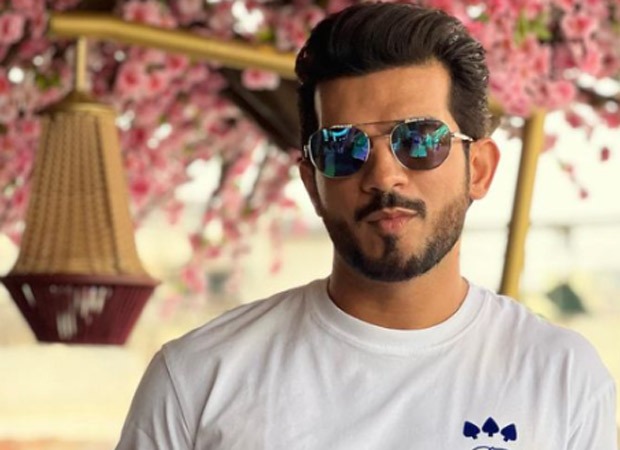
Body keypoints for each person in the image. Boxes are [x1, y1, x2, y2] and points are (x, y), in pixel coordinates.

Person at [116, 3, 618, 449]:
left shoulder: (560, 377)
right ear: (313, 184)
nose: (383, 175)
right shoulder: (198, 380)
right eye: (342, 147)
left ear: (480, 169)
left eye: (420, 140)